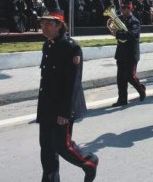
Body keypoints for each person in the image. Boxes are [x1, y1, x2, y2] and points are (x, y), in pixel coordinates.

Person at [37, 10, 98, 182]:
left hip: (62, 106)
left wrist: (65, 112)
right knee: (47, 147)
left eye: (48, 23)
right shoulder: (48, 45)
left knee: (63, 146)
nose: (44, 27)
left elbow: (73, 84)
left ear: (59, 25)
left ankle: (89, 161)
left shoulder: (71, 47)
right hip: (47, 105)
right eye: (42, 23)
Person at [110, 2, 146, 107]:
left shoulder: (135, 21)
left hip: (131, 54)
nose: (122, 11)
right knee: (120, 78)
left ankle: (141, 89)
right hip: (121, 53)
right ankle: (122, 99)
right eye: (122, 8)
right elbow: (114, 28)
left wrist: (117, 33)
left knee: (130, 76)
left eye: (125, 9)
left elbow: (132, 34)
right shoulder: (120, 19)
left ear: (130, 10)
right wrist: (113, 29)